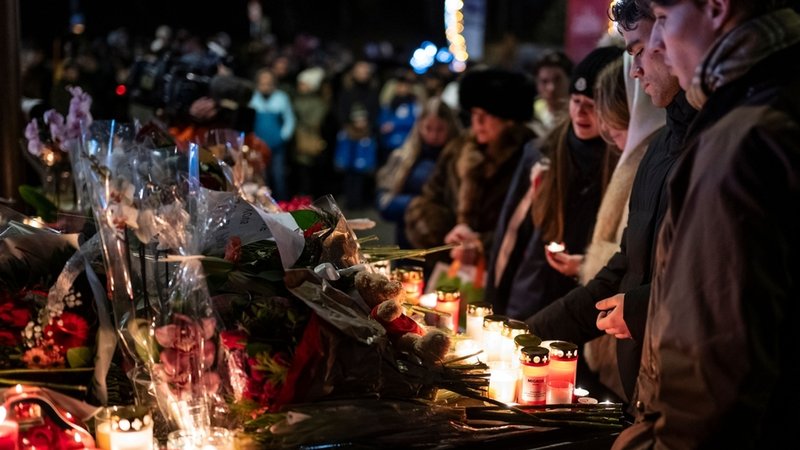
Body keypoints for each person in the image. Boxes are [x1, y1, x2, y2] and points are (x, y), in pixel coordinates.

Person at [613, 0, 800, 448]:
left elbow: (709, 386)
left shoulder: (742, 139)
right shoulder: (766, 106)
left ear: (716, 7)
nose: (657, 43)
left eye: (661, 18)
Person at [526, 0, 694, 410]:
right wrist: (530, 332)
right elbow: (626, 264)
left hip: (682, 392)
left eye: (637, 52)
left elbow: (719, 281)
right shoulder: (659, 151)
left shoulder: (711, 146)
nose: (636, 71)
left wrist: (638, 307)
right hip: (642, 385)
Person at [485, 46, 623, 321]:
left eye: (592, 104)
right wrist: (494, 303)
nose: (581, 113)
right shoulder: (542, 154)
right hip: (531, 298)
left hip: (589, 311)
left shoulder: (624, 161)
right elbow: (511, 233)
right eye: (575, 100)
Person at [404, 67, 536, 279]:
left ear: (509, 118)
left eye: (486, 115)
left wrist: (481, 245)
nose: (477, 122)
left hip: (502, 274)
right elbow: (429, 198)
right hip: (450, 268)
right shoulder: (458, 148)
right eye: (474, 114)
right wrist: (450, 238)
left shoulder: (530, 157)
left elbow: (532, 226)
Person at [376, 97, 462, 250]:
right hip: (407, 244)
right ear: (419, 126)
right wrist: (415, 205)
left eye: (440, 129)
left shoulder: (460, 159)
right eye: (428, 128)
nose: (433, 135)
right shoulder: (403, 157)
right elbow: (384, 203)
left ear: (450, 127)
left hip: (447, 245)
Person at [250, 67, 296, 201]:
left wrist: (283, 136)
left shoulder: (281, 98)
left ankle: (282, 204)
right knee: (261, 178)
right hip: (258, 146)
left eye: (268, 83)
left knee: (279, 176)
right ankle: (264, 206)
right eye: (262, 83)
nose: (265, 86)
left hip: (277, 145)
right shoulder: (252, 98)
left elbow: (290, 119)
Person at [530, 50, 573, 137]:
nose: (551, 88)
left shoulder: (579, 114)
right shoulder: (532, 114)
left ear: (569, 80)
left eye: (558, 80)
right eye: (544, 81)